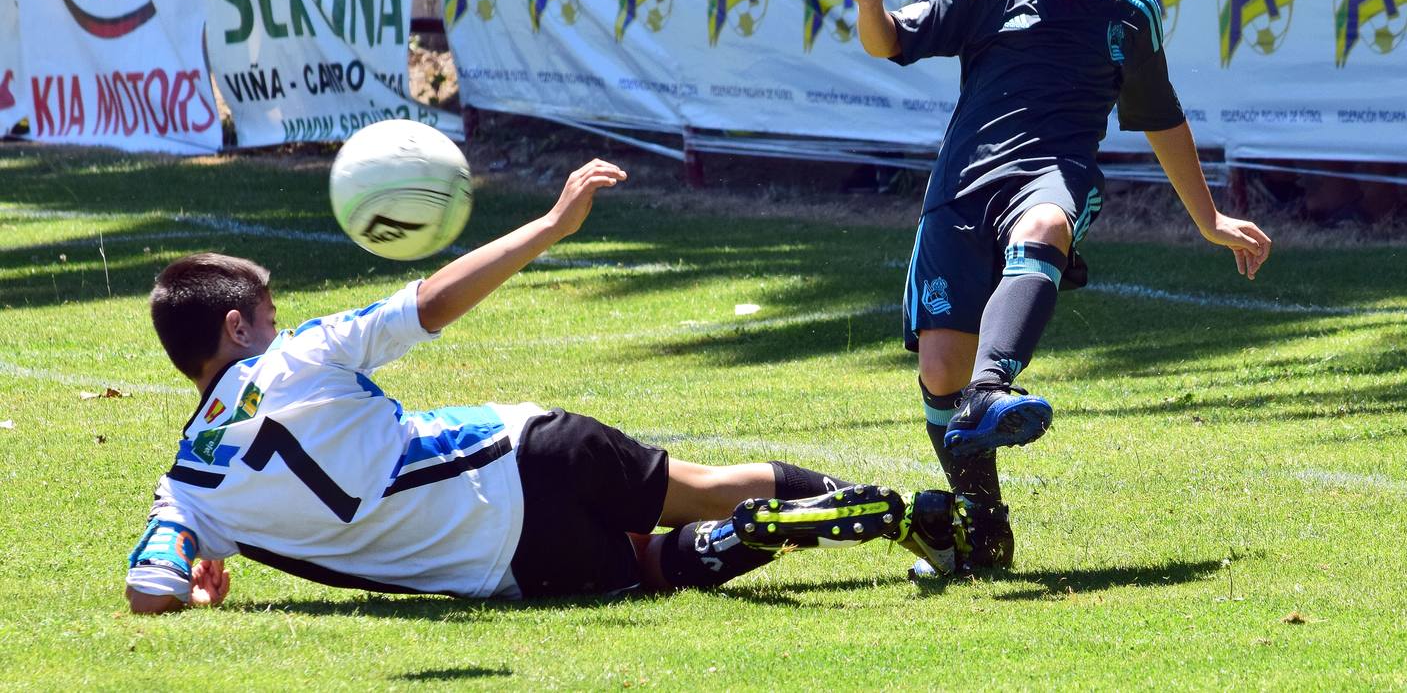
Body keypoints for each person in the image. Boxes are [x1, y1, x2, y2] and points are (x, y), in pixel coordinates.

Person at [124, 160, 971, 613]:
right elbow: (432, 301)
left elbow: (149, 589)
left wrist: (196, 576)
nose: (280, 321)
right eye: (268, 313)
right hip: (531, 442)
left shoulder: (186, 491)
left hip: (501, 559)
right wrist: (550, 225)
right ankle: (904, 523)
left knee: (647, 574)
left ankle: (742, 540)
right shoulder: (304, 354)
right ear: (238, 328)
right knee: (702, 486)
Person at [832, 0, 1272, 572]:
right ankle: (983, 527)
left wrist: (1208, 217)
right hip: (959, 191)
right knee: (939, 370)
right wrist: (870, 2)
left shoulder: (1127, 14)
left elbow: (1158, 117)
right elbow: (893, 43)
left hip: (1054, 176)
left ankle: (992, 388)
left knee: (1044, 223)